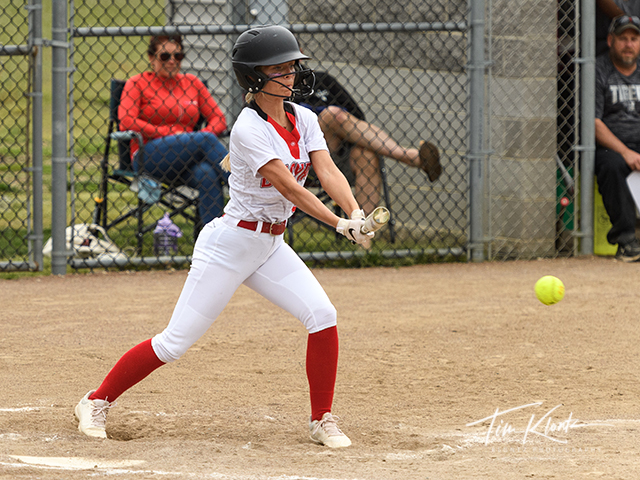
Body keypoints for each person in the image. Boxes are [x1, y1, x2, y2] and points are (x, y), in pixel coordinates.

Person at [74, 25, 374, 448]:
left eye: (292, 65)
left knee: (323, 315)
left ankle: (321, 418)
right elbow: (290, 188)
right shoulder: (249, 128)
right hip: (230, 245)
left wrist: (355, 212)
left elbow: (326, 170)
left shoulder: (304, 117)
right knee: (174, 343)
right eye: (280, 68)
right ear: (254, 76)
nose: (291, 73)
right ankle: (96, 400)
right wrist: (338, 224)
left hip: (270, 246)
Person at [294, 70, 441, 214]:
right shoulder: (284, 88)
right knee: (332, 114)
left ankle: (363, 228)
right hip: (306, 160)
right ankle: (409, 156)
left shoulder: (321, 79)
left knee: (366, 155)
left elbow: (357, 117)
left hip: (340, 154)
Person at [118, 34, 229, 225]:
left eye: (178, 56)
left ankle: (213, 237)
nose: (172, 61)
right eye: (165, 56)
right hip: (149, 155)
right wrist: (166, 133)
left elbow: (219, 118)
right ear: (151, 58)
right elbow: (126, 121)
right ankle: (248, 189)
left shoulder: (192, 83)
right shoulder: (137, 83)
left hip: (187, 156)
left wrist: (198, 136)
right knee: (205, 140)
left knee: (207, 174)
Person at [595, 15, 640, 261]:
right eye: (623, 38)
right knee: (611, 165)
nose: (628, 44)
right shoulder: (598, 70)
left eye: (634, 39)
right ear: (611, 40)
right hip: (612, 146)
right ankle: (626, 241)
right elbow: (594, 122)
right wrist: (625, 152)